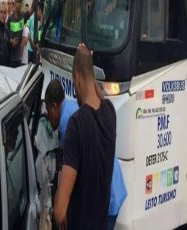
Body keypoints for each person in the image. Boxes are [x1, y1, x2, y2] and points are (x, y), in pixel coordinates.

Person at [46, 78, 127, 229]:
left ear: (55, 106)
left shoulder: (69, 123)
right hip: (112, 187)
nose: (48, 117)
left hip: (106, 196)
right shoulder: (71, 105)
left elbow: (69, 175)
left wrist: (60, 209)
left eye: (48, 110)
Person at [53, 46, 116, 230]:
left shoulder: (76, 124)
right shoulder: (110, 113)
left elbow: (59, 212)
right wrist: (88, 66)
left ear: (77, 79)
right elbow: (101, 97)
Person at [6, 0, 36, 67]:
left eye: (20, 2)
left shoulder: (23, 16)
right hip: (10, 56)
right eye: (17, 2)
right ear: (14, 4)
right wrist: (11, 41)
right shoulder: (10, 18)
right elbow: (5, 35)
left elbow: (33, 8)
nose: (18, 4)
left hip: (19, 57)